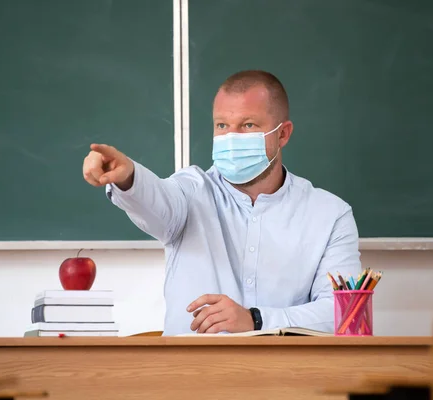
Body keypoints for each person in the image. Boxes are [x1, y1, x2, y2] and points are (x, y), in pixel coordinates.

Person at [82, 70, 362, 336]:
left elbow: (344, 315)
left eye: (248, 125)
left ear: (283, 134)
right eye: (222, 126)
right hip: (192, 377)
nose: (232, 137)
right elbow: (156, 200)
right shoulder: (191, 192)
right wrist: (128, 176)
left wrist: (256, 320)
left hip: (283, 378)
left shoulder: (330, 215)